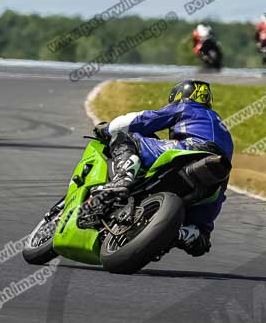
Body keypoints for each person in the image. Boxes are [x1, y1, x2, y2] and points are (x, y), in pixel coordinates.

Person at [87, 79, 233, 257]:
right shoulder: (223, 129)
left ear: (179, 96)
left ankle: (122, 179)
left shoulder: (186, 107)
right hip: (215, 180)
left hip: (189, 150)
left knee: (127, 137)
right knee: (201, 230)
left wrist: (108, 128)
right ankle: (187, 233)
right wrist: (206, 227)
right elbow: (223, 183)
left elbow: (143, 119)